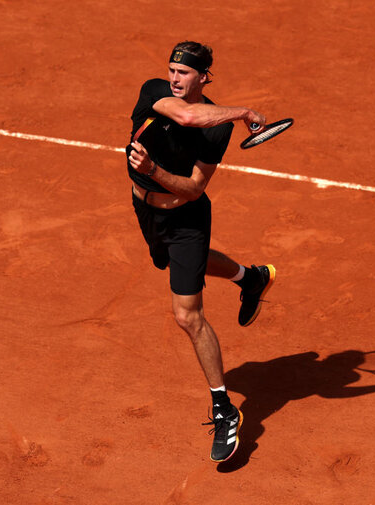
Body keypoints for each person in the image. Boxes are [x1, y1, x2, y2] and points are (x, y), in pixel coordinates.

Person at [126, 41, 276, 463]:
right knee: (177, 266)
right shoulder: (152, 91)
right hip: (146, 211)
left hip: (187, 219)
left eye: (185, 73)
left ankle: (224, 409)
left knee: (186, 314)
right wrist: (247, 112)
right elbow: (187, 114)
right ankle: (252, 278)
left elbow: (193, 189)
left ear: (204, 76)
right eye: (172, 69)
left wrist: (153, 171)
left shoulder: (218, 128)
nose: (174, 78)